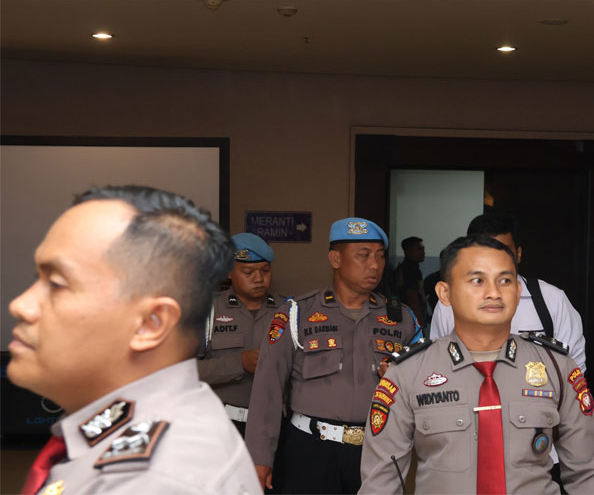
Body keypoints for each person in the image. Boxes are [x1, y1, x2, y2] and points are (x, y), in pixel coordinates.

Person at [7, 185, 260, 495]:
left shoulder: (151, 479)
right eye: (38, 279)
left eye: (57, 284)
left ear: (150, 324)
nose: (20, 305)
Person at [359, 235, 594, 494]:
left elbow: (588, 475)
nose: (494, 292)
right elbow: (381, 485)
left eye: (505, 281)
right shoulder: (408, 373)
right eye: (477, 280)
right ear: (445, 293)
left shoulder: (556, 367)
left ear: (518, 292)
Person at [246, 217, 421, 494]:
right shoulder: (297, 313)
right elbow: (268, 388)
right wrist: (259, 456)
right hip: (310, 451)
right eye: (364, 255)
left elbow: (423, 383)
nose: (374, 265)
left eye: (379, 256)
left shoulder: (402, 319)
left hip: (377, 450)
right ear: (336, 259)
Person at [428, 212, 586, 484]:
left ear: (518, 254)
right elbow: (437, 369)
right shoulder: (450, 304)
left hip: (541, 452)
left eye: (502, 252)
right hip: (466, 450)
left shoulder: (551, 300)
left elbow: (574, 374)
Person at [197, 232, 284, 436]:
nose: (259, 279)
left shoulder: (287, 311)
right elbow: (185, 372)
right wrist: (239, 363)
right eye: (248, 272)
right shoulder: (208, 312)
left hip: (274, 425)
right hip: (220, 424)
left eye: (265, 270)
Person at [394, 236, 426, 323]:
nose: (423, 252)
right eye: (419, 249)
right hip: (409, 317)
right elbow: (412, 298)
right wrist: (419, 321)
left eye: (423, 249)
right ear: (408, 251)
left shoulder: (412, 267)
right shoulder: (409, 269)